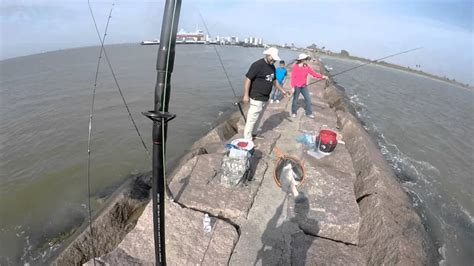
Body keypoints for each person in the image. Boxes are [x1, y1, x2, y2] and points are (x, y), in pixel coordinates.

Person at [243, 47, 288, 140]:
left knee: (259, 117)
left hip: (265, 97)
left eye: (275, 59)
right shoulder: (257, 65)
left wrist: (282, 91)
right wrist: (246, 95)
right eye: (273, 58)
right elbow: (248, 79)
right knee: (252, 119)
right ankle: (247, 140)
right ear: (267, 55)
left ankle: (254, 133)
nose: (274, 61)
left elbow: (274, 81)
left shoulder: (272, 67)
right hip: (256, 97)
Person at [290, 53, 328, 119]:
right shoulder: (296, 67)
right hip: (297, 86)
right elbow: (293, 78)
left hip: (304, 86)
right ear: (302, 60)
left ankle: (309, 113)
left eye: (307, 59)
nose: (307, 60)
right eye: (306, 59)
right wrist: (293, 87)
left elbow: (314, 74)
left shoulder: (307, 67)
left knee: (308, 99)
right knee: (295, 100)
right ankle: (294, 112)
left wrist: (322, 77)